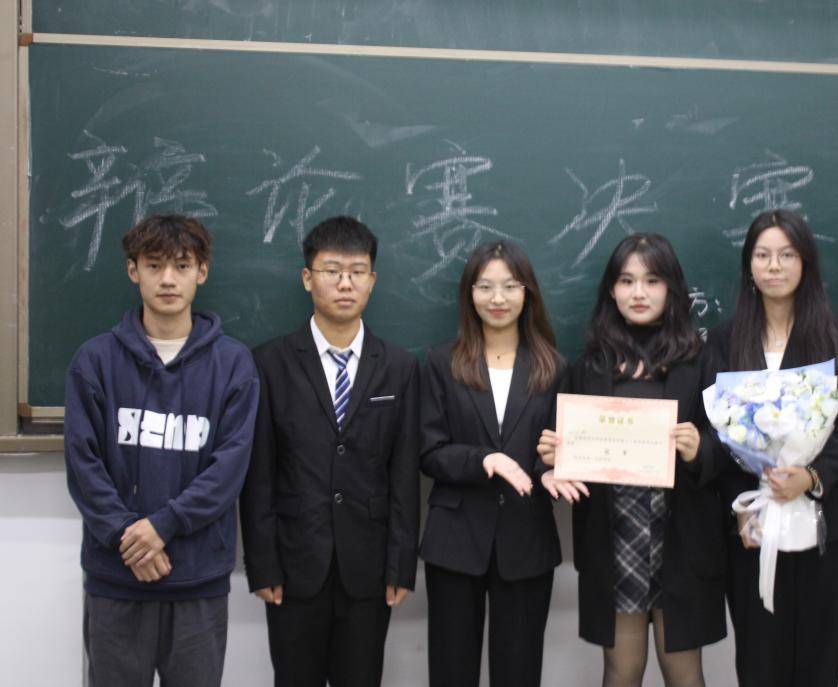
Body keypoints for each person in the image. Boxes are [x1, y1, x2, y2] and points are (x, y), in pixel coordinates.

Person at [64, 213, 258, 686]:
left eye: (182, 265)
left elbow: (229, 469)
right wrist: (130, 537)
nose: (168, 279)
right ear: (133, 270)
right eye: (154, 265)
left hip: (196, 580)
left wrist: (163, 526)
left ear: (202, 271)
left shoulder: (234, 364)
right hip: (117, 578)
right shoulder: (94, 361)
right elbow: (83, 465)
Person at [538, 233, 726, 687]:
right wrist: (553, 458)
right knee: (621, 671)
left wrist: (700, 449)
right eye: (626, 281)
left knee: (684, 673)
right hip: (614, 536)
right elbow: (563, 449)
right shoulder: (590, 367)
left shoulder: (701, 361)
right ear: (611, 290)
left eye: (652, 280)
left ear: (671, 288)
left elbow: (732, 447)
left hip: (680, 537)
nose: (638, 292)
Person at [239, 216, 419, 687]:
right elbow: (259, 475)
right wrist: (262, 563)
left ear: (372, 281)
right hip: (293, 565)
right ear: (307, 278)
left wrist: (401, 565)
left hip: (369, 567)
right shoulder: (269, 363)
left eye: (357, 272)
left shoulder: (399, 367)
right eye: (332, 270)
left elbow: (404, 475)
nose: (345, 283)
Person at [707, 209, 838, 687]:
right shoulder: (723, 340)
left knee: (820, 665)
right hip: (753, 529)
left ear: (805, 262)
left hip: (825, 526)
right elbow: (717, 434)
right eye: (762, 255)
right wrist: (742, 503)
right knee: (760, 664)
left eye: (787, 255)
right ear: (749, 265)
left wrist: (811, 477)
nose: (774, 266)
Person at [420, 240, 566, 687]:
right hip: (455, 541)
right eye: (485, 286)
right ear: (469, 293)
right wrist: (486, 459)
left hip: (526, 540)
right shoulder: (441, 362)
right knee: (451, 672)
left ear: (527, 293)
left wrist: (552, 468)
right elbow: (429, 451)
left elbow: (555, 451)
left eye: (510, 286)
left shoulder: (554, 367)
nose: (497, 298)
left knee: (519, 672)